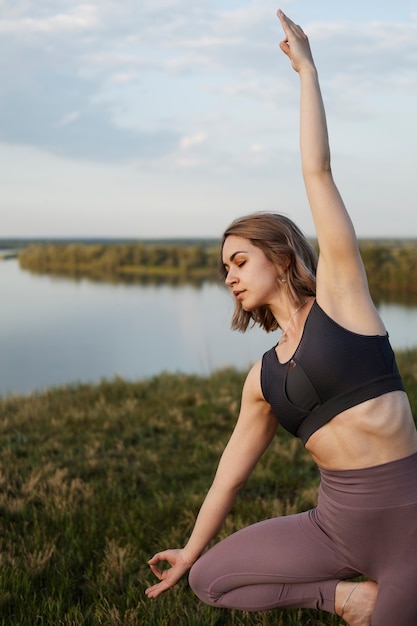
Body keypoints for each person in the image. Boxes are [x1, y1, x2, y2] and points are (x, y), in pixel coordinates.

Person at [146, 10, 417, 626]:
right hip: (334, 529)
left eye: (239, 260)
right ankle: (344, 597)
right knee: (213, 580)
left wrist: (307, 72)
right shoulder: (262, 380)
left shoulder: (344, 301)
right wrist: (191, 551)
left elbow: (317, 172)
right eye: (224, 270)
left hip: (409, 522)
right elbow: (229, 477)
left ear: (283, 255)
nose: (231, 276)